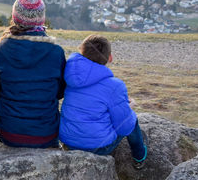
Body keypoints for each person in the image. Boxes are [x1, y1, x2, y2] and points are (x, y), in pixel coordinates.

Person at [0, 0, 65, 148]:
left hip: (8, 131)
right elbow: (59, 92)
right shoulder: (56, 52)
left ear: (15, 17)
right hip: (46, 132)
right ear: (42, 18)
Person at [59, 35, 147, 166]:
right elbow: (124, 127)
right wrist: (128, 108)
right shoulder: (115, 86)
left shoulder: (68, 75)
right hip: (97, 148)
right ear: (110, 58)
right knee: (131, 120)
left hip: (67, 141)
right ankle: (139, 158)